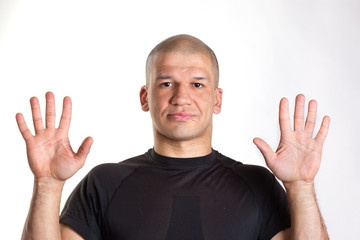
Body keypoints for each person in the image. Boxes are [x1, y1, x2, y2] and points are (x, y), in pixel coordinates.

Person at [17, 34, 330, 240]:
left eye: (197, 84)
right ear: (145, 97)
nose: (182, 97)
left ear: (217, 99)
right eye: (166, 83)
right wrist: (47, 184)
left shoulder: (257, 186)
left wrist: (301, 187)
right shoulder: (106, 183)